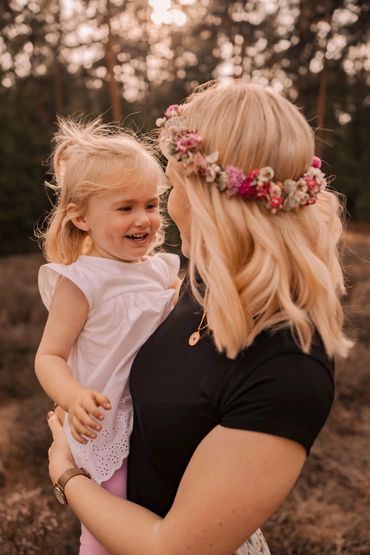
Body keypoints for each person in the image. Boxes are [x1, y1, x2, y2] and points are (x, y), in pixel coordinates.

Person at [46, 81, 352, 555]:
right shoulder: (196, 286)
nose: (163, 205)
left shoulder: (288, 367)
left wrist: (66, 473)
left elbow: (173, 548)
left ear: (203, 195)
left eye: (168, 185)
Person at [35, 118, 180, 555]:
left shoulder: (162, 270)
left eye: (152, 205)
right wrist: (74, 396)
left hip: (157, 421)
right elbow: (49, 356)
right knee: (105, 528)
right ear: (80, 215)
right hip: (105, 421)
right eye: (125, 208)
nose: (144, 219)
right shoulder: (82, 281)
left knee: (158, 516)